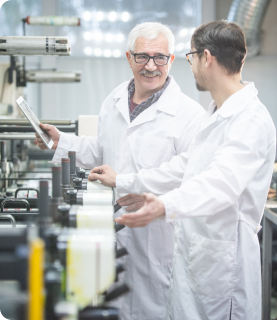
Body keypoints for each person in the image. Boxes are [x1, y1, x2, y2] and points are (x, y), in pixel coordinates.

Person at [89, 21, 276, 320]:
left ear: (206, 58)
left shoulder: (249, 120)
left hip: (224, 262)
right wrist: (137, 186)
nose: (190, 66)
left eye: (190, 57)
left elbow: (221, 185)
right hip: (198, 254)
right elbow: (185, 168)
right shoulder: (217, 114)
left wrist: (165, 204)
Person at [35, 22, 204, 320]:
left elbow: (188, 172)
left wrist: (124, 181)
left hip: (160, 237)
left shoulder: (190, 115)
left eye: (159, 57)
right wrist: (61, 142)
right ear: (129, 58)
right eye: (142, 57)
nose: (151, 65)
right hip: (113, 228)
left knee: (156, 307)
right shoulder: (114, 101)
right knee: (114, 305)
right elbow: (103, 150)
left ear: (171, 60)